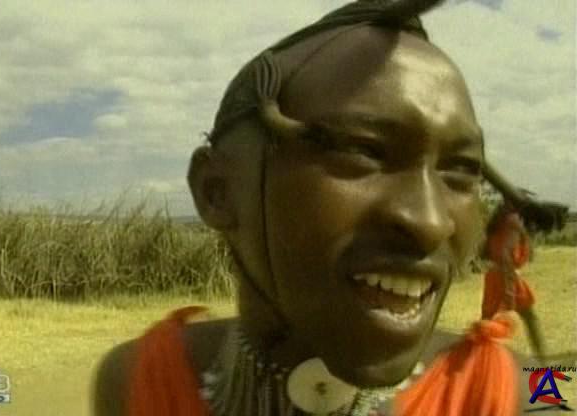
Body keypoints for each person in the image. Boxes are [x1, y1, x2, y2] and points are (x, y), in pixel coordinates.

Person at [93, 1, 568, 415]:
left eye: (460, 171)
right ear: (217, 192)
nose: (430, 222)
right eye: (362, 152)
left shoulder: (536, 394)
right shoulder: (134, 381)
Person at [482, 201, 547, 362]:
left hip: (494, 276)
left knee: (487, 320)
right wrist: (509, 293)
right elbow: (506, 255)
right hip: (507, 276)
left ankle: (479, 357)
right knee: (530, 318)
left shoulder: (498, 221)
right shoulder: (512, 220)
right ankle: (542, 359)